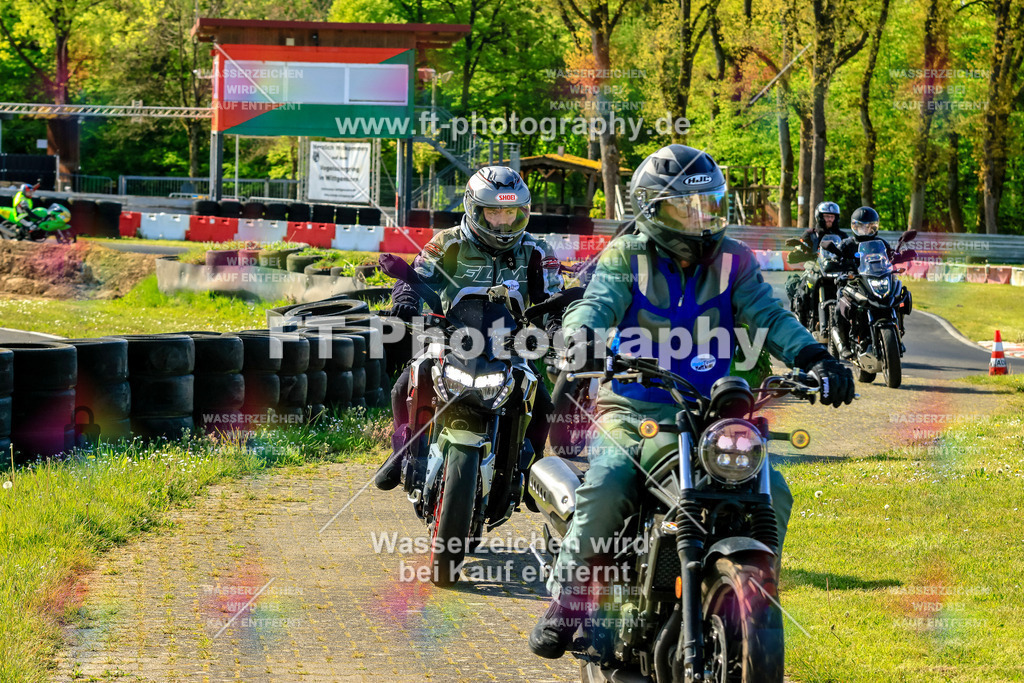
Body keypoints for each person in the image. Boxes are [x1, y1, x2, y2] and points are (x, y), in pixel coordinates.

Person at [528, 144, 855, 659]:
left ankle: (752, 598)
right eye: (686, 208)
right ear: (652, 210)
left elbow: (769, 316)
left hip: (711, 413)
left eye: (709, 205)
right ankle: (568, 602)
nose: (702, 219)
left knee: (773, 491)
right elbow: (594, 304)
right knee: (609, 484)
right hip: (634, 407)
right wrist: (581, 339)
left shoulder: (734, 260)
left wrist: (816, 358)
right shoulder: (627, 256)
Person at [373, 165, 564, 491]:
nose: (503, 222)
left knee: (543, 403)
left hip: (510, 344)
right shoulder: (448, 242)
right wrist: (405, 301)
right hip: (451, 336)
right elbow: (417, 275)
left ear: (524, 212)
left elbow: (553, 296)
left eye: (511, 213)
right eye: (494, 212)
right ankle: (403, 450)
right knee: (403, 386)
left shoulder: (537, 250)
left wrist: (557, 325)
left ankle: (530, 468)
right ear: (474, 209)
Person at [830, 206, 895, 359]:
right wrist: (836, 264)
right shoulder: (846, 244)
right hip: (852, 285)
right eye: (861, 226)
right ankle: (844, 344)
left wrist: (900, 257)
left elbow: (892, 256)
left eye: (869, 226)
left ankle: (897, 330)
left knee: (899, 295)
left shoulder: (881, 243)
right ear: (854, 226)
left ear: (875, 226)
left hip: (874, 283)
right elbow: (835, 259)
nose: (865, 230)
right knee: (840, 308)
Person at [787, 201, 845, 326]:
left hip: (836, 270)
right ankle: (802, 321)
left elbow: (849, 250)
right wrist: (798, 250)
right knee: (803, 290)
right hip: (814, 268)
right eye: (826, 216)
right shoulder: (810, 234)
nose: (829, 219)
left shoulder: (842, 236)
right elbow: (801, 247)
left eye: (832, 216)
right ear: (819, 217)